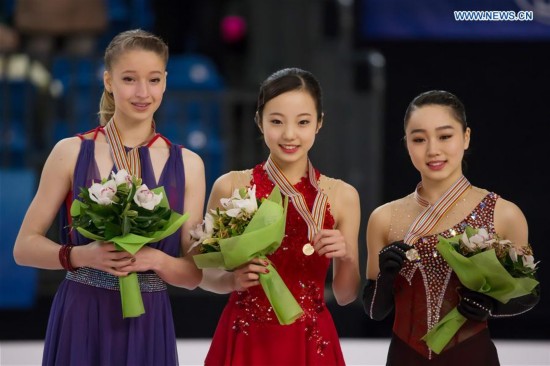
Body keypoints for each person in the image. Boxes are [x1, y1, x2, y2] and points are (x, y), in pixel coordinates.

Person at [13, 29, 205, 366]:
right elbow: (24, 247)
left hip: (149, 321)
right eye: (129, 79)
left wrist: (155, 260)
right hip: (82, 314)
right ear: (108, 80)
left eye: (154, 79)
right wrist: (82, 255)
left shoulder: (189, 164)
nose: (143, 92)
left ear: (165, 82)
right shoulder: (70, 152)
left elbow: (192, 275)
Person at [362, 90, 540, 365]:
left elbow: (527, 295)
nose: (433, 150)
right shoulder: (383, 218)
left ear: (466, 137)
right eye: (419, 139)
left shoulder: (504, 214)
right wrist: (385, 279)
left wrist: (491, 306)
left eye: (445, 136)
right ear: (407, 144)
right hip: (404, 357)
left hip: (471, 355)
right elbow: (375, 312)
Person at [199, 67, 361, 365]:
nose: (289, 135)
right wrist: (229, 281)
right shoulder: (231, 186)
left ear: (319, 123)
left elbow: (345, 295)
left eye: (303, 122)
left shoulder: (342, 196)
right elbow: (201, 270)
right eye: (276, 121)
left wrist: (348, 257)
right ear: (259, 121)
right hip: (245, 337)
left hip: (311, 341)